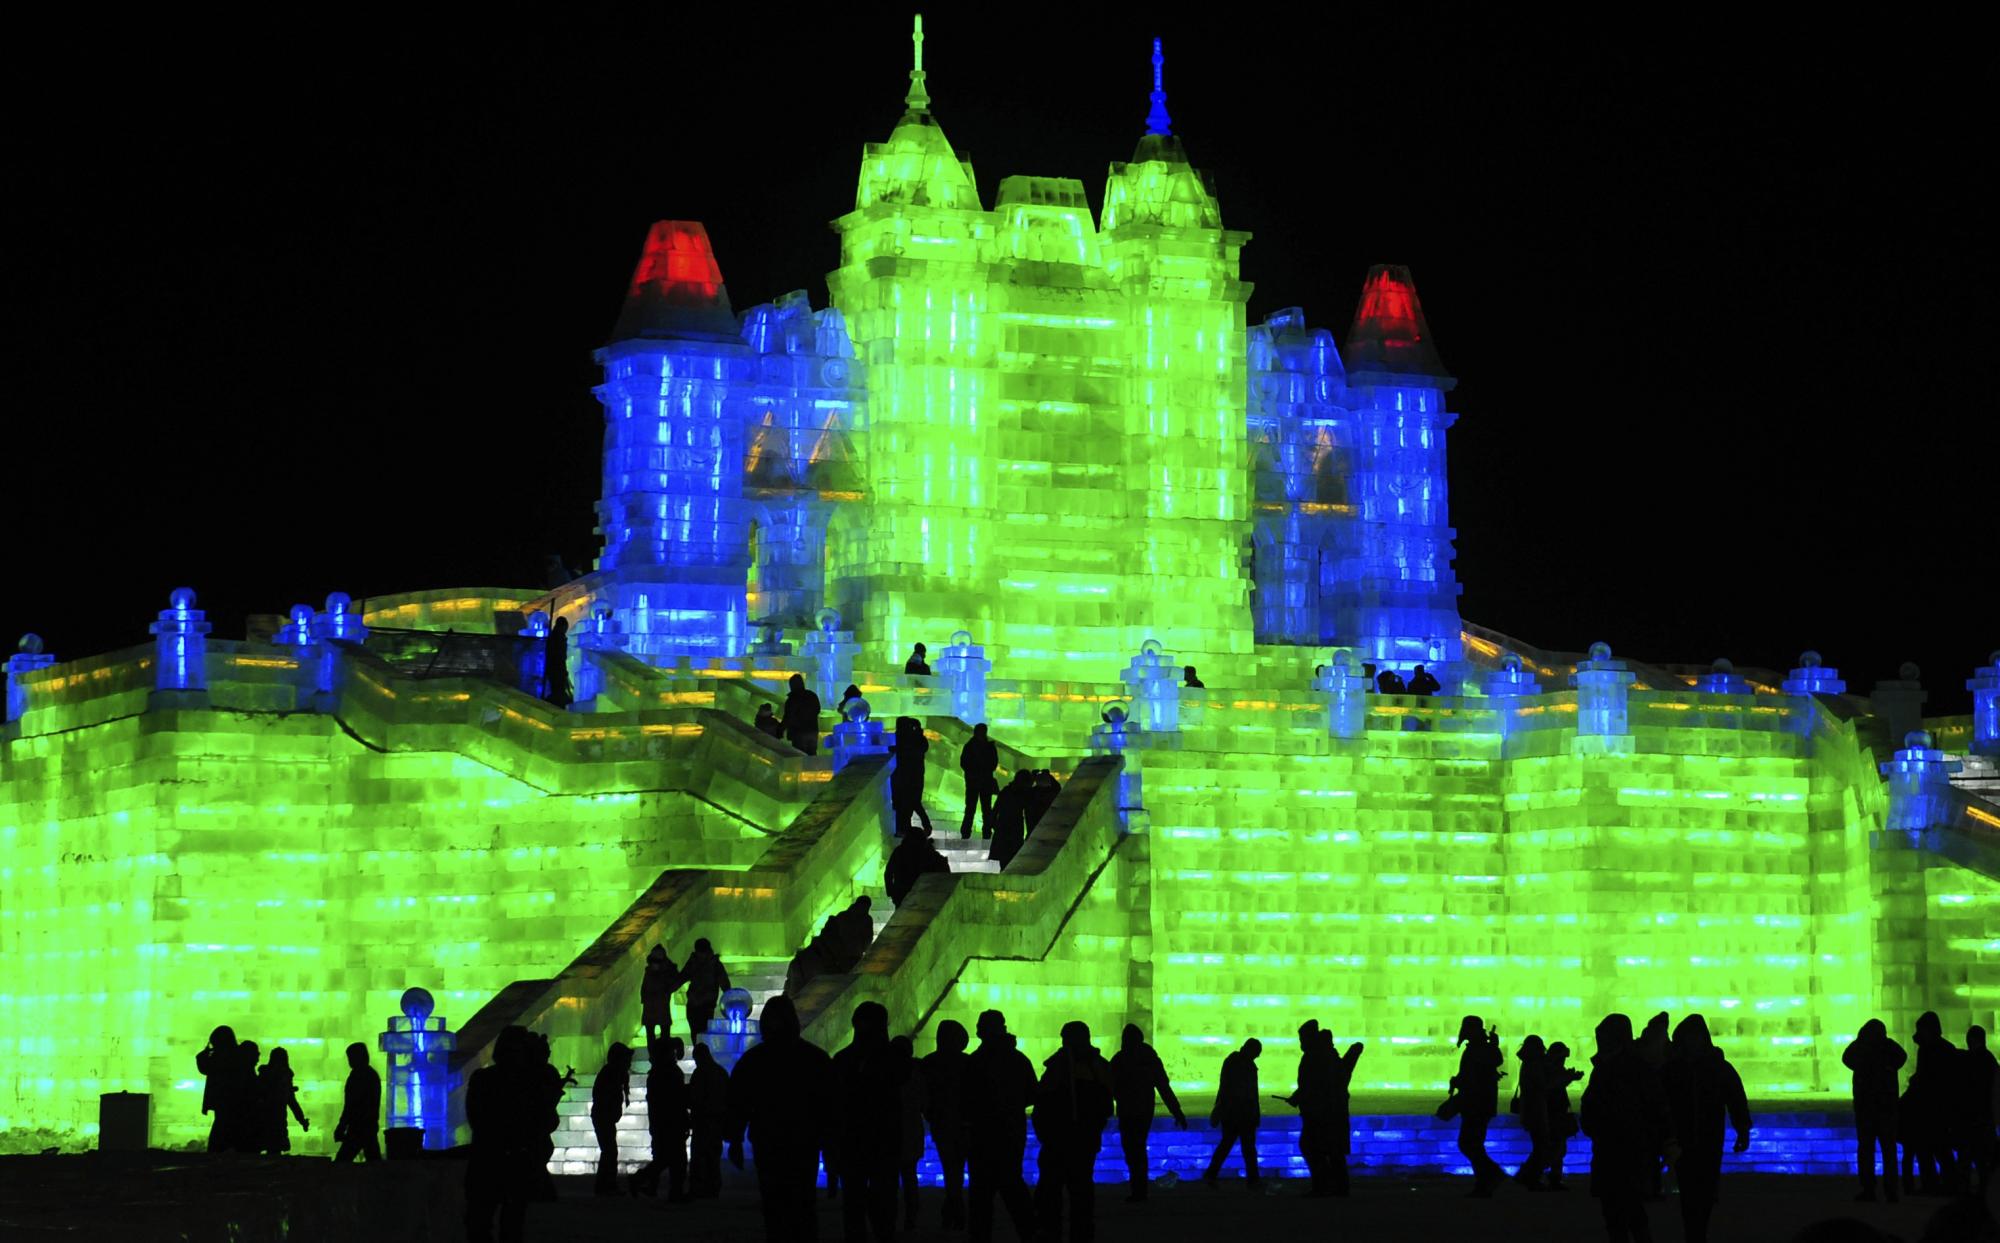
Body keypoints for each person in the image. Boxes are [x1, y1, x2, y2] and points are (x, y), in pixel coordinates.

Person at [727, 995, 834, 1241]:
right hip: (802, 1141)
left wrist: (734, 1139)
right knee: (802, 1204)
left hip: (770, 1140)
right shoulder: (814, 1059)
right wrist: (830, 1149)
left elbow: (738, 1102)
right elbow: (828, 1108)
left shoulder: (754, 1060)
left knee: (775, 1205)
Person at [1581, 1013, 1674, 1243]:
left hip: (1624, 1150)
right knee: (1624, 1214)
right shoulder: (1624, 1066)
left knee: (1626, 1213)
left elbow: (1654, 1107)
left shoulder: (1622, 1068)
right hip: (1620, 1149)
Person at [1661, 1014, 1750, 1243]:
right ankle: (1695, 1233)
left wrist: (1742, 1129)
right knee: (1690, 1191)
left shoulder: (1717, 1067)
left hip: (1709, 1138)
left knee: (1705, 1189)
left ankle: (1697, 1232)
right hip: (1683, 1139)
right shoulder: (1673, 1068)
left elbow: (1736, 1099)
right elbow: (1659, 1103)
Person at [1033, 1021, 1115, 1242]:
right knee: (1079, 1196)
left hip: (1063, 1141)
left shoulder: (1062, 1067)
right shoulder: (1096, 1066)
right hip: (1079, 1140)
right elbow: (1107, 1105)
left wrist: (1046, 1133)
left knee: (1057, 1195)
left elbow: (1042, 1102)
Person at [830, 1001, 904, 1243]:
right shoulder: (894, 1060)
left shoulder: (844, 1060)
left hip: (860, 1143)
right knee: (879, 1207)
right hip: (879, 1143)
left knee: (856, 1207)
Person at [963, 1010, 1037, 1243]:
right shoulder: (1018, 1059)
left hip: (983, 1134)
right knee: (1012, 1186)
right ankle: (1029, 1233)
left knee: (982, 1195)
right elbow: (1032, 1094)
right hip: (1010, 1131)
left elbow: (966, 1099)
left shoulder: (975, 1061)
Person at [465, 1026, 541, 1243]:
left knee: (481, 1222)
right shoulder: (528, 1082)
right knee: (510, 1223)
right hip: (511, 1157)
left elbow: (476, 1118)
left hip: (488, 1157)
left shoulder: (483, 1079)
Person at [1109, 1023, 1186, 1201]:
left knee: (1132, 1150)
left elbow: (1109, 1087)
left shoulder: (1120, 1059)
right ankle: (1140, 1189)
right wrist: (1177, 1112)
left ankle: (1138, 1190)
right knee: (1138, 1149)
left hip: (1128, 1110)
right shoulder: (1150, 1059)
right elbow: (1164, 1088)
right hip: (1144, 1110)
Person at [1286, 1023, 1362, 1197]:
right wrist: (1298, 1097)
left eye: (1302, 1039)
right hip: (1328, 1112)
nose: (1301, 1043)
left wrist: (1300, 1098)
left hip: (1321, 1113)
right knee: (1330, 1151)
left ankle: (1325, 1186)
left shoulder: (1316, 1057)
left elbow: (1315, 1085)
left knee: (1314, 1147)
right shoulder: (1324, 1055)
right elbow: (1313, 1083)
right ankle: (1336, 1187)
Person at [1843, 1018, 1906, 1203]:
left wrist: (1860, 1041)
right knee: (1888, 1150)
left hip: (1866, 1108)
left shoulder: (1861, 1048)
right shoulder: (1889, 1047)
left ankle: (1869, 1189)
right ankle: (1891, 1190)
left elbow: (1846, 1058)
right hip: (1886, 1107)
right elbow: (1902, 1057)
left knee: (1866, 1149)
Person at [922, 1020, 973, 1228]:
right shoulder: (968, 1063)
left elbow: (925, 1096)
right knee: (957, 1170)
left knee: (951, 1169)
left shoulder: (929, 1062)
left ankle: (953, 1208)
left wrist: (931, 1114)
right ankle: (956, 1209)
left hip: (943, 1124)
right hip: (964, 1125)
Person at [1448, 1015, 1505, 1196]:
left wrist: (1460, 1082)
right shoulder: (1480, 1047)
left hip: (1476, 1103)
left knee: (1469, 1143)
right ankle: (1484, 1182)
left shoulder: (1479, 1048)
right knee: (1473, 1144)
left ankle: (1491, 1175)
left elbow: (1477, 1074)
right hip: (1479, 1103)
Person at [1907, 1010, 1962, 1194]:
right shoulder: (1946, 1048)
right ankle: (1950, 1183)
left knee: (1928, 1149)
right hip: (1941, 1107)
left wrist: (1915, 1083)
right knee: (1941, 1149)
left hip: (1929, 1107)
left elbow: (1925, 1077)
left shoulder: (1928, 1049)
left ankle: (1932, 1184)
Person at [630, 1035, 689, 1201]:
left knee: (666, 1159)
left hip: (664, 1122)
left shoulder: (659, 1072)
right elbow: (675, 1099)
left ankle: (643, 1181)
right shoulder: (667, 1072)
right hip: (670, 1122)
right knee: (674, 1159)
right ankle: (673, 1191)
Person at [1204, 1038, 1262, 1187]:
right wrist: (1255, 1113)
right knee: (1247, 1148)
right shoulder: (1245, 1065)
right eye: (1256, 1054)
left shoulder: (1233, 1061)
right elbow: (1249, 1093)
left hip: (1232, 1113)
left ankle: (1211, 1174)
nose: (1257, 1057)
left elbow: (1225, 1089)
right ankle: (1253, 1179)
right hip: (1242, 1114)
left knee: (1227, 1145)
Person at [891, 1035, 928, 1230]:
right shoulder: (918, 1072)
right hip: (911, 1130)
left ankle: (890, 1218)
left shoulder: (886, 1072)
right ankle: (910, 1216)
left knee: (889, 1179)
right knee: (909, 1175)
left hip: (890, 1132)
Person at [198, 1025, 249, 1153]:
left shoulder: (218, 1057)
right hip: (236, 1101)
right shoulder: (237, 1055)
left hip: (222, 1100)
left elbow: (203, 1066)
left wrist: (206, 1051)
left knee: (220, 1129)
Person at [591, 1041, 633, 1196]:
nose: (629, 1063)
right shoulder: (611, 1074)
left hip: (604, 1117)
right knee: (609, 1151)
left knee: (609, 1151)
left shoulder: (614, 1073)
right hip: (603, 1116)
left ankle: (605, 1184)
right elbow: (603, 1096)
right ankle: (606, 1185)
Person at [688, 1042, 729, 1199]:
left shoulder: (700, 1073)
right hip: (717, 1120)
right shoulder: (720, 1072)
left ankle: (697, 1188)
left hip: (702, 1121)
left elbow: (695, 1098)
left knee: (699, 1156)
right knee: (713, 1157)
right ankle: (713, 1188)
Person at [1514, 1035, 1554, 1190]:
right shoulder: (1535, 1064)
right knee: (1541, 1146)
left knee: (1539, 1145)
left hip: (1529, 1108)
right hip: (1536, 1109)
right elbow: (1542, 1085)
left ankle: (1527, 1175)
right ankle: (1528, 1176)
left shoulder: (1527, 1063)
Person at [1962, 1024, 1998, 1193]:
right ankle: (1985, 1187)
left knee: (1970, 1154)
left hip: (1973, 1116)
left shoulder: (1972, 1060)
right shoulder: (1989, 1060)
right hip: (1985, 1115)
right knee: (1983, 1156)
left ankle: (1969, 1187)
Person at [333, 1041, 382, 1163]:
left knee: (342, 1162)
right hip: (368, 1125)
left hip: (357, 1127)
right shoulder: (371, 1075)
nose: (349, 1061)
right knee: (374, 1159)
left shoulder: (357, 1076)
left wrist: (342, 1125)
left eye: (350, 1057)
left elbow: (350, 1105)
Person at [254, 1046, 309, 1154]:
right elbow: (292, 1102)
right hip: (278, 1118)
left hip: (263, 1117)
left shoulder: (264, 1074)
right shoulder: (285, 1076)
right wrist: (301, 1120)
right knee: (274, 1150)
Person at [1544, 1040, 1583, 1190]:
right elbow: (1553, 1085)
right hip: (1554, 1111)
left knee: (1557, 1145)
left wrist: (1569, 1077)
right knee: (1557, 1146)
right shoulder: (1550, 1068)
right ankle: (1552, 1176)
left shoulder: (1551, 1067)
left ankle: (1554, 1176)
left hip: (1555, 1110)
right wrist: (1569, 1077)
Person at [681, 938, 731, 1049]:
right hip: (694, 1005)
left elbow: (725, 984)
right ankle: (700, 1058)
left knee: (703, 1035)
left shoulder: (714, 965)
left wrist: (729, 997)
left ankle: (702, 1058)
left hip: (706, 1006)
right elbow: (681, 978)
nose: (701, 955)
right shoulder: (694, 962)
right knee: (696, 1034)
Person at [886, 823, 951, 907]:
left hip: (905, 893)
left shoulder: (900, 851)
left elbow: (888, 873)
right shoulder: (926, 852)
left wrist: (891, 892)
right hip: (920, 893)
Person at [890, 717, 934, 837]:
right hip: (910, 776)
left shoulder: (908, 739)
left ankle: (911, 828)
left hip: (906, 777)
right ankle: (908, 828)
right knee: (908, 804)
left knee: (908, 803)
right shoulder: (914, 739)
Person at [959, 723, 1000, 839]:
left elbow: (964, 763)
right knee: (985, 809)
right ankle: (986, 832)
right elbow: (993, 763)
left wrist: (973, 771)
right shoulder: (989, 746)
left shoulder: (970, 746)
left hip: (974, 781)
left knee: (972, 808)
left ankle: (967, 832)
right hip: (983, 781)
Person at [987, 771, 1032, 868]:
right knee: (1010, 858)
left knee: (1001, 858)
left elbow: (995, 809)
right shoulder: (1023, 795)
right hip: (1013, 829)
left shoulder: (1006, 791)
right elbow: (1028, 814)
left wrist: (991, 825)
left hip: (1003, 827)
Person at [641, 945, 680, 1047]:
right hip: (653, 1005)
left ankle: (663, 1054)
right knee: (654, 1033)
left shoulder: (667, 969)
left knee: (662, 1033)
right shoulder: (651, 969)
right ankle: (657, 1055)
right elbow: (645, 986)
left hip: (658, 1004)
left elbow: (675, 982)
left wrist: (667, 990)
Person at [783, 673, 823, 756]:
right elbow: (817, 710)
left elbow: (788, 716)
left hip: (798, 733)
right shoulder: (812, 695)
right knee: (812, 755)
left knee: (799, 756)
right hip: (812, 730)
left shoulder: (792, 699)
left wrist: (780, 730)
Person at [543, 617, 573, 708]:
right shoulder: (557, 639)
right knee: (557, 688)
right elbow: (558, 656)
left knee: (557, 687)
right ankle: (558, 704)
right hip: (556, 669)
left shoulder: (555, 637)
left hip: (556, 669)